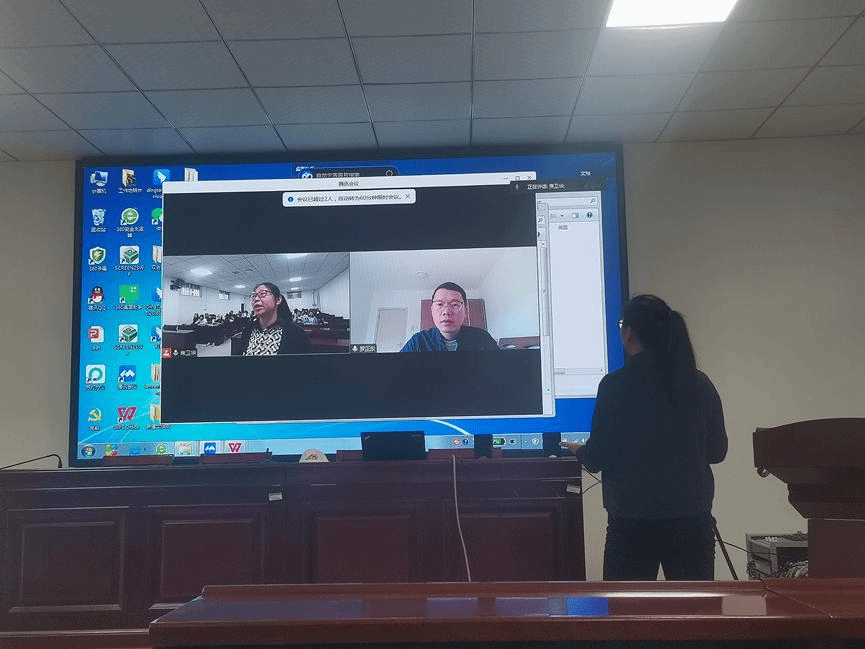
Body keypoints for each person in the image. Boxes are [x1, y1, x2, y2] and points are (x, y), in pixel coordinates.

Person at [561, 295, 727, 581]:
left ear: (629, 333)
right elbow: (717, 452)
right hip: (692, 522)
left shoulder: (615, 386)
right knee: (695, 608)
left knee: (628, 608)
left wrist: (577, 450)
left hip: (631, 525)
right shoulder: (700, 383)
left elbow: (597, 457)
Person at [400, 282, 499, 352]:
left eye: (455, 304)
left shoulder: (482, 339)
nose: (446, 312)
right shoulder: (418, 341)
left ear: (465, 311)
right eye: (439, 304)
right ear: (432, 310)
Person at [235, 282, 310, 356]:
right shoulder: (248, 330)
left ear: (278, 300)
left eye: (262, 294)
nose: (256, 299)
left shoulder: (295, 333)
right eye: (254, 296)